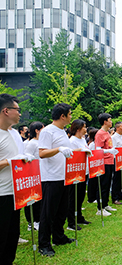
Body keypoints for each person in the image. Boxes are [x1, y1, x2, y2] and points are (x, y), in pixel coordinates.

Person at [38, 103, 76, 257]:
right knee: (48, 213)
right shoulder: (47, 131)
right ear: (63, 116)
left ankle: (59, 237)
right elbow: (42, 153)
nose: (71, 116)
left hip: (63, 176)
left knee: (62, 210)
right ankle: (44, 244)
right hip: (51, 177)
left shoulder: (62, 131)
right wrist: (59, 149)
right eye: (70, 113)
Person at [0, 94, 24, 263]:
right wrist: (9, 161)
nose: (20, 113)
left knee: (12, 235)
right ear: (6, 111)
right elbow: (11, 160)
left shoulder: (15, 133)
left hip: (17, 192)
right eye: (17, 109)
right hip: (1, 194)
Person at [67, 119, 92, 231]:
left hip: (84, 171)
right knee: (73, 197)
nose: (85, 129)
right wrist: (80, 150)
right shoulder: (72, 141)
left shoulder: (82, 139)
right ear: (78, 128)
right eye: (84, 127)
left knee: (80, 196)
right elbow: (71, 154)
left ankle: (79, 217)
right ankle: (71, 222)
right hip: (75, 173)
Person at [95, 113, 118, 216]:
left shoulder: (107, 133)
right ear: (105, 122)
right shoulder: (100, 134)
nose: (111, 121)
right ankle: (100, 208)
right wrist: (109, 151)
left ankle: (105, 204)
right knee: (103, 185)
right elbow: (98, 149)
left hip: (110, 161)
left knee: (108, 183)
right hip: (104, 162)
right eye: (109, 120)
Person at [24, 121, 44, 232]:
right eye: (42, 129)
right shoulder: (32, 143)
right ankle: (32, 222)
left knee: (40, 199)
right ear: (37, 130)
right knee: (32, 200)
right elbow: (27, 158)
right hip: (33, 175)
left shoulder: (41, 142)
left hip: (42, 174)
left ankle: (38, 220)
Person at [111, 121, 122, 205]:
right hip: (116, 160)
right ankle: (115, 198)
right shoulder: (114, 137)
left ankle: (119, 194)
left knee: (121, 178)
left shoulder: (121, 137)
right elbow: (113, 149)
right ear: (117, 128)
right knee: (116, 179)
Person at [87, 128, 99, 203]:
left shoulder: (96, 144)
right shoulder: (92, 144)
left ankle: (94, 196)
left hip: (97, 164)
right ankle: (91, 198)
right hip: (92, 165)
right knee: (92, 182)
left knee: (95, 182)